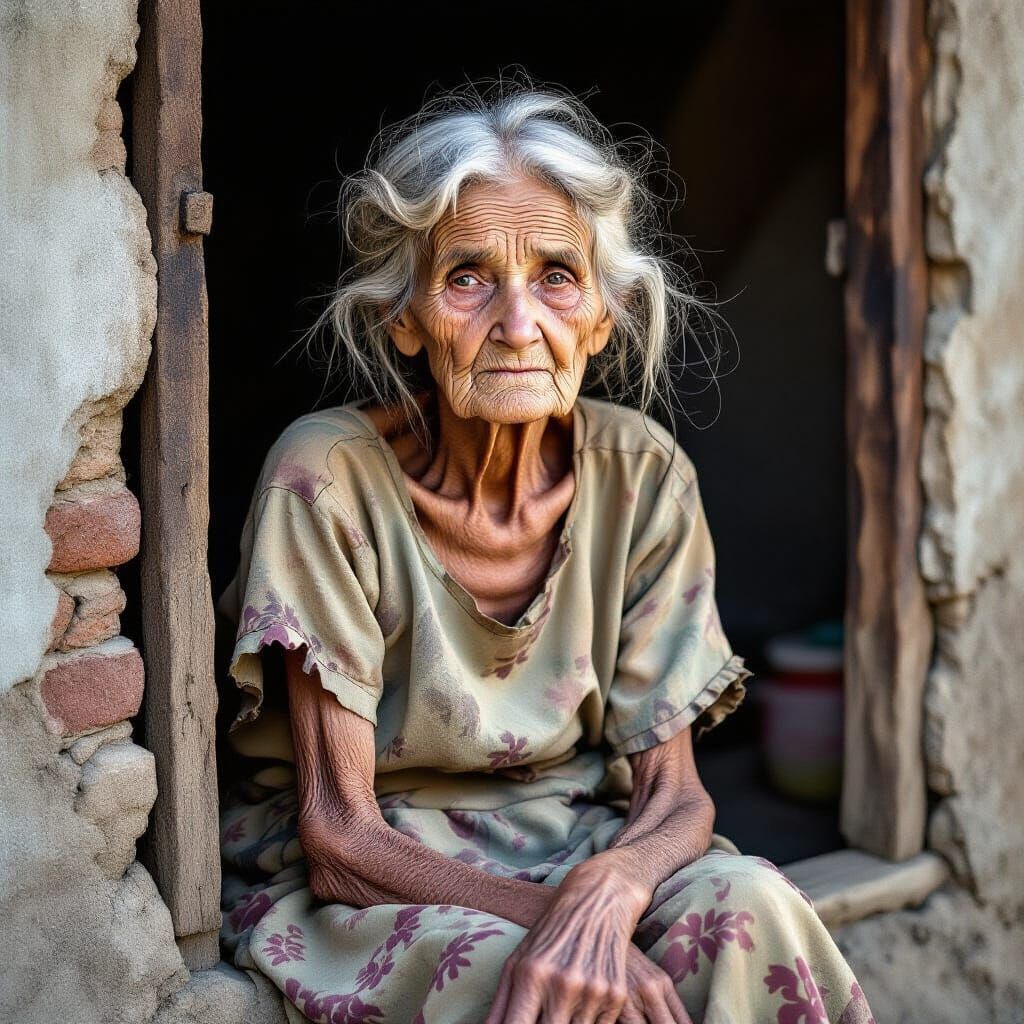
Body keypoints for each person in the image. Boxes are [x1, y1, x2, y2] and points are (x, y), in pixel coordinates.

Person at [217, 82, 875, 1024]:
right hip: (381, 876)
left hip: (575, 838)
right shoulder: (324, 479)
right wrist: (566, 932)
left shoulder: (643, 475)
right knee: (549, 992)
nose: (519, 325)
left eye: (558, 278)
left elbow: (678, 800)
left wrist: (606, 898)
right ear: (404, 319)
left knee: (753, 907)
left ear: (601, 319)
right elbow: (338, 834)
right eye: (468, 277)